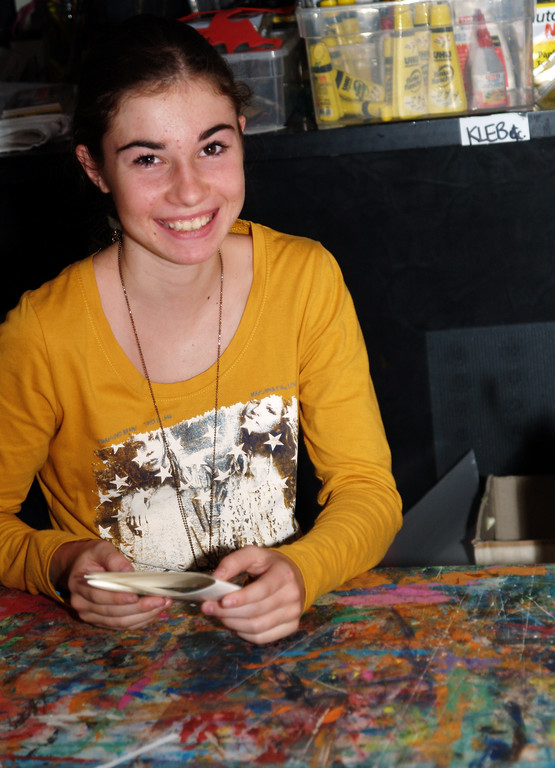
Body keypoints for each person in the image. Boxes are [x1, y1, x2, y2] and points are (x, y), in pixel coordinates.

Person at [0, 14, 402, 644]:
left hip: (277, 651)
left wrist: (303, 570)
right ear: (95, 168)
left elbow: (367, 489)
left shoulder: (304, 280)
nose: (189, 192)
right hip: (118, 670)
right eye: (148, 159)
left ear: (241, 135)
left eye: (212, 148)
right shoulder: (42, 334)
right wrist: (61, 563)